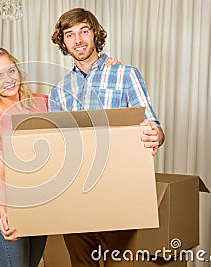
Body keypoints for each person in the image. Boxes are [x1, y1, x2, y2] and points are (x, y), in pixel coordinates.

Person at [49, 8, 165, 266]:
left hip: (119, 196)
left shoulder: (125, 74)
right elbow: (58, 147)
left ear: (95, 34)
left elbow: (152, 124)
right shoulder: (59, 92)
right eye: (70, 35)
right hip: (76, 199)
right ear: (63, 42)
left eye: (84, 31)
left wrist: (155, 134)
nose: (78, 40)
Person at [0, 47, 48, 267]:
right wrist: (5, 212)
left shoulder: (43, 103)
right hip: (8, 207)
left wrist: (107, 65)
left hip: (39, 205)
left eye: (11, 71)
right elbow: (1, 172)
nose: (8, 80)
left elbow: (78, 113)